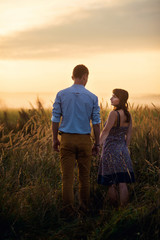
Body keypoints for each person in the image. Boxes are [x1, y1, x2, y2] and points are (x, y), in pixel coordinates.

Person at [51, 64, 101, 217]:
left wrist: (55, 139)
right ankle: (84, 209)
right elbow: (96, 123)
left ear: (73, 77)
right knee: (84, 177)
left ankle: (68, 211)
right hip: (84, 140)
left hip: (66, 139)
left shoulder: (61, 94)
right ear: (85, 76)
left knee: (67, 177)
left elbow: (55, 119)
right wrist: (97, 143)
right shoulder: (92, 97)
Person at [98, 88, 135, 207]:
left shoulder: (113, 113)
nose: (111, 98)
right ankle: (124, 210)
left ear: (121, 99)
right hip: (123, 150)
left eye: (114, 96)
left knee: (110, 182)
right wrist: (125, 149)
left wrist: (98, 145)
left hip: (110, 150)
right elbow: (128, 136)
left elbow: (105, 131)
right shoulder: (128, 115)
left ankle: (114, 210)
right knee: (122, 181)